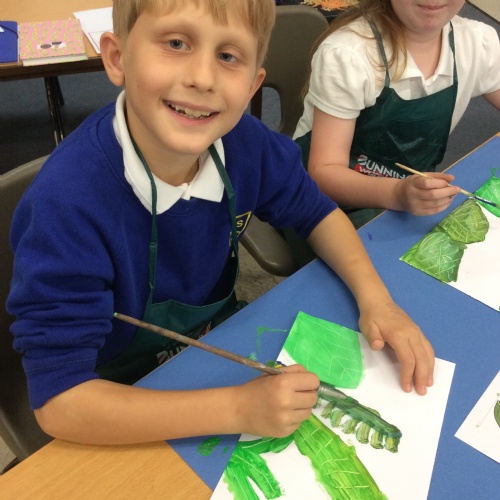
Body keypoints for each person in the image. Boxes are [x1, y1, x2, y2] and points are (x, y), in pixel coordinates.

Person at [7, 0, 434, 446]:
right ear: (117, 58)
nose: (203, 78)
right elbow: (61, 402)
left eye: (228, 56)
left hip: (216, 343)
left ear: (252, 86)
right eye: (176, 43)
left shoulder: (247, 145)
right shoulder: (67, 204)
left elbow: (317, 213)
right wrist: (237, 409)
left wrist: (377, 300)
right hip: (118, 386)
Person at [294, 0, 500, 228]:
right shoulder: (348, 56)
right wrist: (397, 193)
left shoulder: (477, 43)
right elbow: (324, 172)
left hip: (409, 195)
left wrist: (405, 194)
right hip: (324, 201)